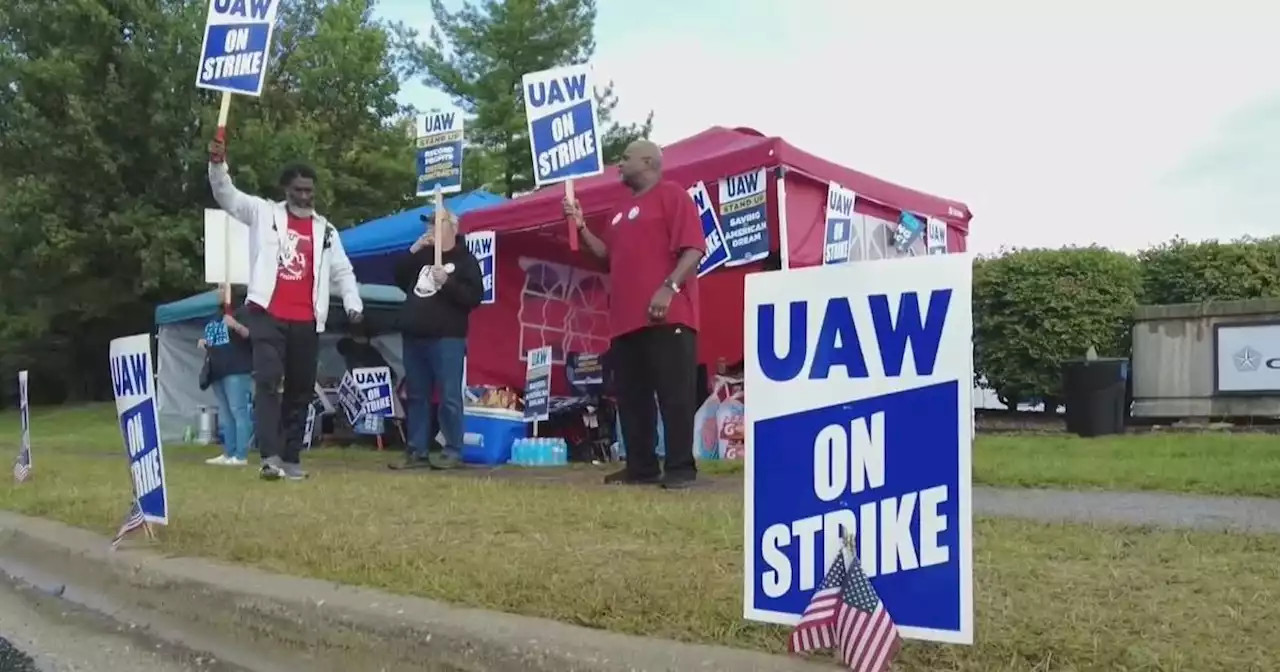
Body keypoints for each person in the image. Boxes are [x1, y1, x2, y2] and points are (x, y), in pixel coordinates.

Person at [208, 137, 364, 482]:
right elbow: (227, 196)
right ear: (286, 190)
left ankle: (291, 458)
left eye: (310, 190)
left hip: (308, 320)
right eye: (298, 190)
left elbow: (342, 271)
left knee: (300, 389)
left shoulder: (327, 230)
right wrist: (218, 166)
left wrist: (353, 304)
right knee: (267, 381)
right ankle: (270, 457)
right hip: (267, 314)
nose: (305, 197)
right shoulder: (264, 213)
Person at [563, 140, 706, 489]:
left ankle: (680, 468)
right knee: (632, 397)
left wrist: (668, 287)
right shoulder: (617, 210)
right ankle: (641, 467)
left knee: (674, 395)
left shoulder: (672, 196)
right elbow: (605, 257)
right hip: (626, 321)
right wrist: (581, 227)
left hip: (668, 316)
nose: (619, 163)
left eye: (625, 158)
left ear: (648, 161)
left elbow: (694, 249)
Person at [390, 210, 484, 470]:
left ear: (452, 228)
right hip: (414, 334)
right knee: (417, 395)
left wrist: (448, 282)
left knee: (449, 395)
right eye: (429, 224)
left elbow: (474, 297)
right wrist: (414, 248)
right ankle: (416, 451)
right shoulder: (422, 256)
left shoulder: (465, 259)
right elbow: (398, 277)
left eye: (436, 224)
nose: (431, 229)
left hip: (446, 337)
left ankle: (452, 449)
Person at [198, 289, 255, 466]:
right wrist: (205, 343)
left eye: (223, 288)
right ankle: (229, 452)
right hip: (217, 369)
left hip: (236, 369)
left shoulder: (245, 312)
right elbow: (219, 339)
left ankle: (241, 455)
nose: (219, 291)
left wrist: (236, 326)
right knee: (226, 413)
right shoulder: (215, 314)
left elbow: (253, 336)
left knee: (239, 411)